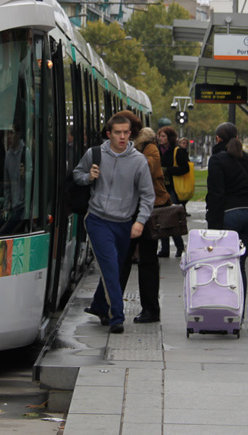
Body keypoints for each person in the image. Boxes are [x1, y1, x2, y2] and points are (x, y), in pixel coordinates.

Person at [73, 113, 155, 333]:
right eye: (117, 132)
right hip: (98, 219)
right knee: (109, 267)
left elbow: (148, 195)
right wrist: (88, 177)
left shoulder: (138, 161)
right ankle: (117, 316)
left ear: (131, 134)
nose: (122, 137)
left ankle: (100, 304)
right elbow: (77, 175)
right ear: (109, 134)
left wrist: (140, 221)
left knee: (116, 268)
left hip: (124, 223)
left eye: (126, 133)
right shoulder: (95, 154)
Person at [119, 126, 170, 324]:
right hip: (130, 209)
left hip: (149, 210)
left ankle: (151, 309)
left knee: (147, 260)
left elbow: (148, 168)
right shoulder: (131, 149)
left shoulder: (149, 148)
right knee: (123, 259)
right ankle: (110, 305)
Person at [205, 122, 248, 290]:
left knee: (224, 264)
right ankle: (239, 309)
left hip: (229, 213)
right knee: (240, 264)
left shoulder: (217, 160)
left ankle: (227, 306)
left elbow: (216, 194)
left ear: (218, 139)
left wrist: (213, 225)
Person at [157, 125, 189, 258]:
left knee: (172, 218)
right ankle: (164, 249)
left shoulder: (177, 151)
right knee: (161, 219)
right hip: (160, 189)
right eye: (159, 136)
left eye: (163, 136)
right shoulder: (157, 150)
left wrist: (168, 170)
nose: (160, 138)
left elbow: (185, 168)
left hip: (172, 189)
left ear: (170, 138)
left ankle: (180, 247)